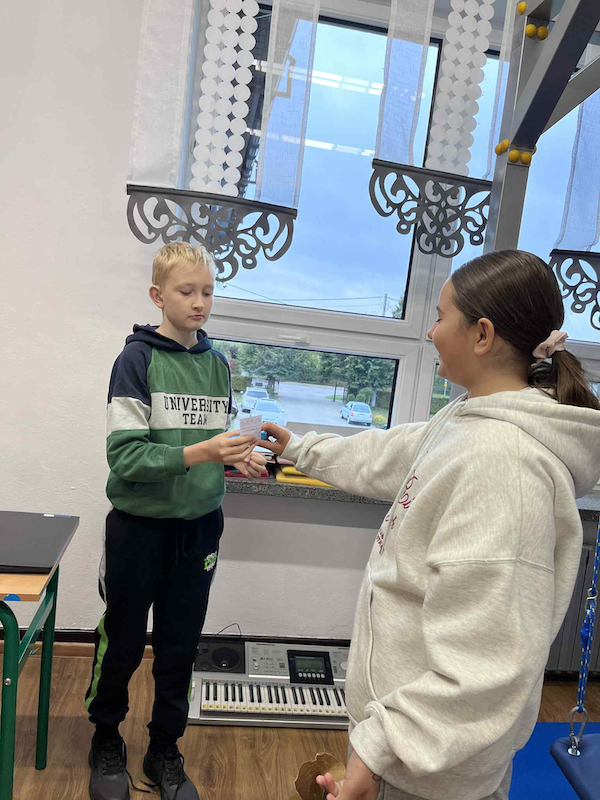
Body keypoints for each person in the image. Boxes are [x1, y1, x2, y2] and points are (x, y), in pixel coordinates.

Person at [262, 250, 600, 800]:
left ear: (482, 335)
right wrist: (300, 449)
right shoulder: (467, 419)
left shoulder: (504, 466)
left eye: (441, 317)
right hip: (408, 749)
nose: (430, 331)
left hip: (431, 770)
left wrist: (377, 751)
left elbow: (484, 668)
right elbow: (387, 454)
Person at [85, 242, 266, 800]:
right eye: (186, 291)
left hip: (200, 528)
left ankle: (164, 747)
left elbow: (211, 444)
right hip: (138, 527)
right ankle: (106, 736)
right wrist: (204, 452)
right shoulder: (135, 361)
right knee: (122, 641)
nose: (199, 302)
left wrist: (236, 458)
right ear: (158, 295)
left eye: (207, 291)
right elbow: (126, 457)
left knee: (180, 645)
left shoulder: (218, 365)